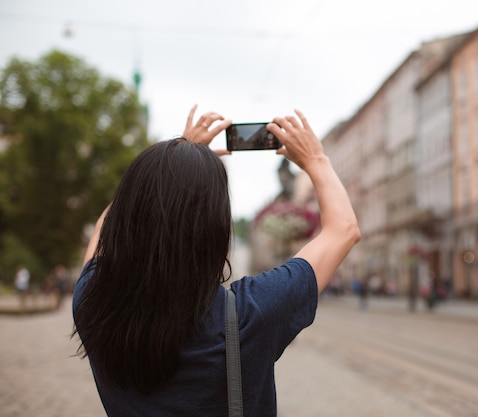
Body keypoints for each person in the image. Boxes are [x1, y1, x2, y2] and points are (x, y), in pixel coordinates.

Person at [72, 106, 360, 417]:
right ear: (216, 229)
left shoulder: (92, 300)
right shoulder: (252, 313)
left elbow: (107, 231)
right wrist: (316, 160)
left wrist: (171, 163)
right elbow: (343, 229)